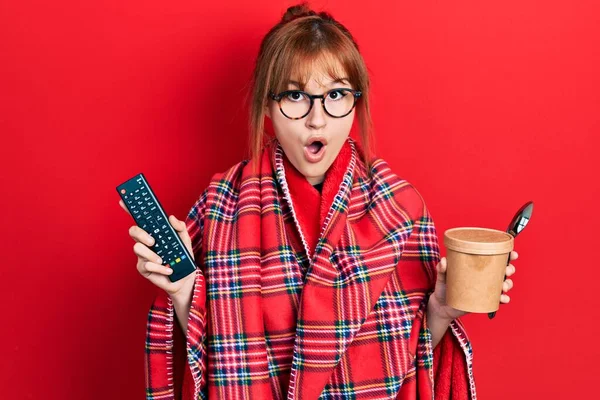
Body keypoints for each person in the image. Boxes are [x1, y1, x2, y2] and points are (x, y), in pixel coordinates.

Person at [119, 3, 518, 399]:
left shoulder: (401, 207)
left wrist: (441, 312)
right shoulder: (220, 204)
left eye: (336, 94)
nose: (317, 119)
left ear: (356, 102)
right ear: (268, 107)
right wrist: (185, 289)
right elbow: (214, 359)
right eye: (295, 95)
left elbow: (411, 363)